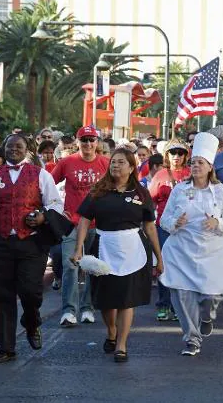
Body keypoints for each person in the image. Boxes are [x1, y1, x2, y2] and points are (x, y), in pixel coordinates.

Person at [0, 134, 63, 364]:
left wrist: (42, 217)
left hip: (31, 242)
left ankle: (32, 323)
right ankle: (6, 347)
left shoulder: (41, 175)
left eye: (18, 146)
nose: (14, 150)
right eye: (10, 146)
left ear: (27, 149)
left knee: (31, 291)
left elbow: (56, 203)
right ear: (3, 149)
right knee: (2, 295)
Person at [72, 149, 163, 363]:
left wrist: (159, 257)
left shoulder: (141, 193)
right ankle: (111, 330)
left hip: (133, 250)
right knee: (105, 300)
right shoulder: (98, 191)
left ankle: (121, 344)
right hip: (104, 247)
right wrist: (78, 249)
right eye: (113, 162)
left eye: (121, 162)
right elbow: (84, 220)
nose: (115, 165)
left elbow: (150, 227)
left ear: (131, 168)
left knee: (126, 299)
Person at [159, 133, 223, 356]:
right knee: (182, 296)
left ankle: (206, 316)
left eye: (200, 163)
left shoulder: (220, 191)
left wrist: (217, 221)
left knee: (211, 296)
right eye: (193, 162)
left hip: (212, 251)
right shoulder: (180, 189)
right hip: (182, 249)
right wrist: (175, 222)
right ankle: (192, 339)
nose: (195, 166)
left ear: (210, 166)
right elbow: (164, 220)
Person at [52, 125, 109, 327]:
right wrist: (58, 210)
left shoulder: (106, 163)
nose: (88, 144)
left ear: (97, 142)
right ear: (78, 142)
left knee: (93, 268)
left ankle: (88, 307)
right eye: (84, 140)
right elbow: (48, 186)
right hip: (72, 223)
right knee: (70, 265)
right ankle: (69, 311)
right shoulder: (67, 162)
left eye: (91, 140)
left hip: (98, 224)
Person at [148, 140, 191, 321]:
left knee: (184, 267)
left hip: (187, 228)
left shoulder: (191, 174)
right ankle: (164, 304)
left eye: (180, 153)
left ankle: (179, 306)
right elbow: (150, 201)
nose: (176, 156)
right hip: (164, 227)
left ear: (185, 156)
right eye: (173, 153)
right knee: (164, 266)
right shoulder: (160, 175)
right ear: (167, 155)